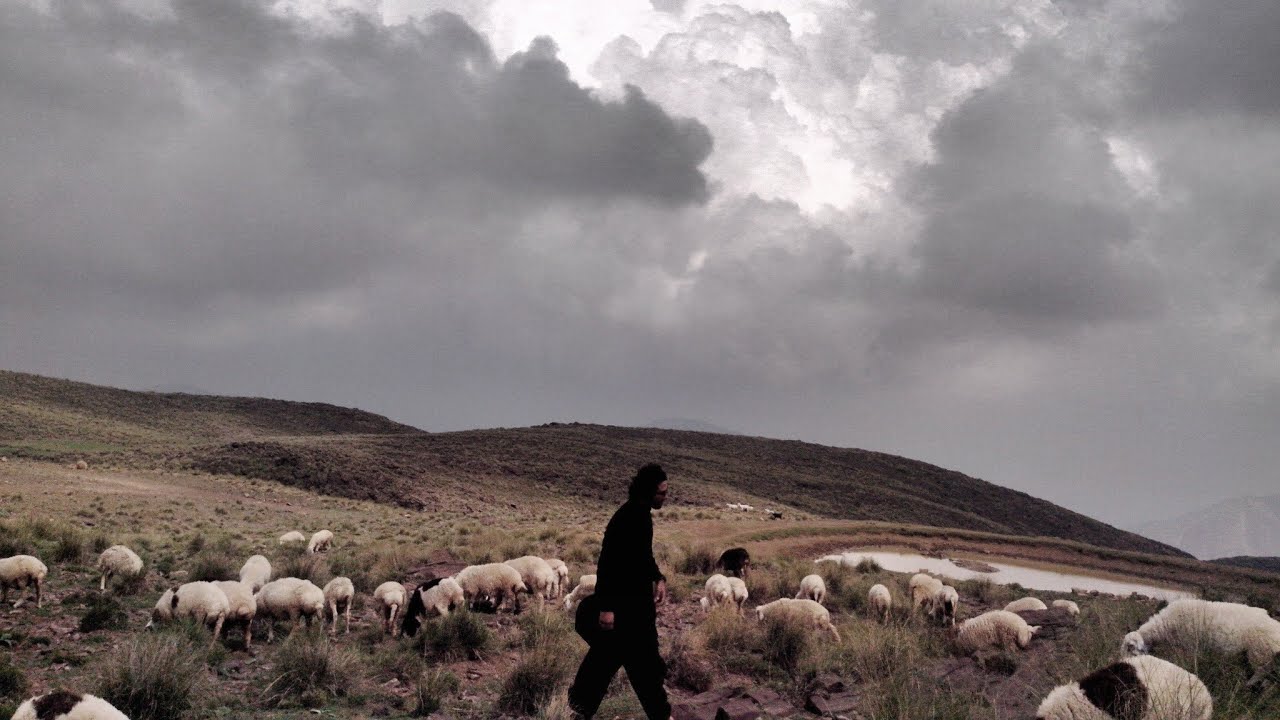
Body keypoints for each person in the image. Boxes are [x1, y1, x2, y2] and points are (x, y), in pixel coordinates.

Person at [568, 463, 672, 720]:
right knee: (631, 662)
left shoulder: (641, 514)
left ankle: (578, 709)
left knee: (614, 658)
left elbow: (643, 557)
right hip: (624, 609)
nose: (665, 497)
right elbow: (608, 564)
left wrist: (658, 577)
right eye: (661, 492)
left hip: (636, 607)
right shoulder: (628, 517)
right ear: (648, 491)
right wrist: (606, 608)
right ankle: (579, 708)